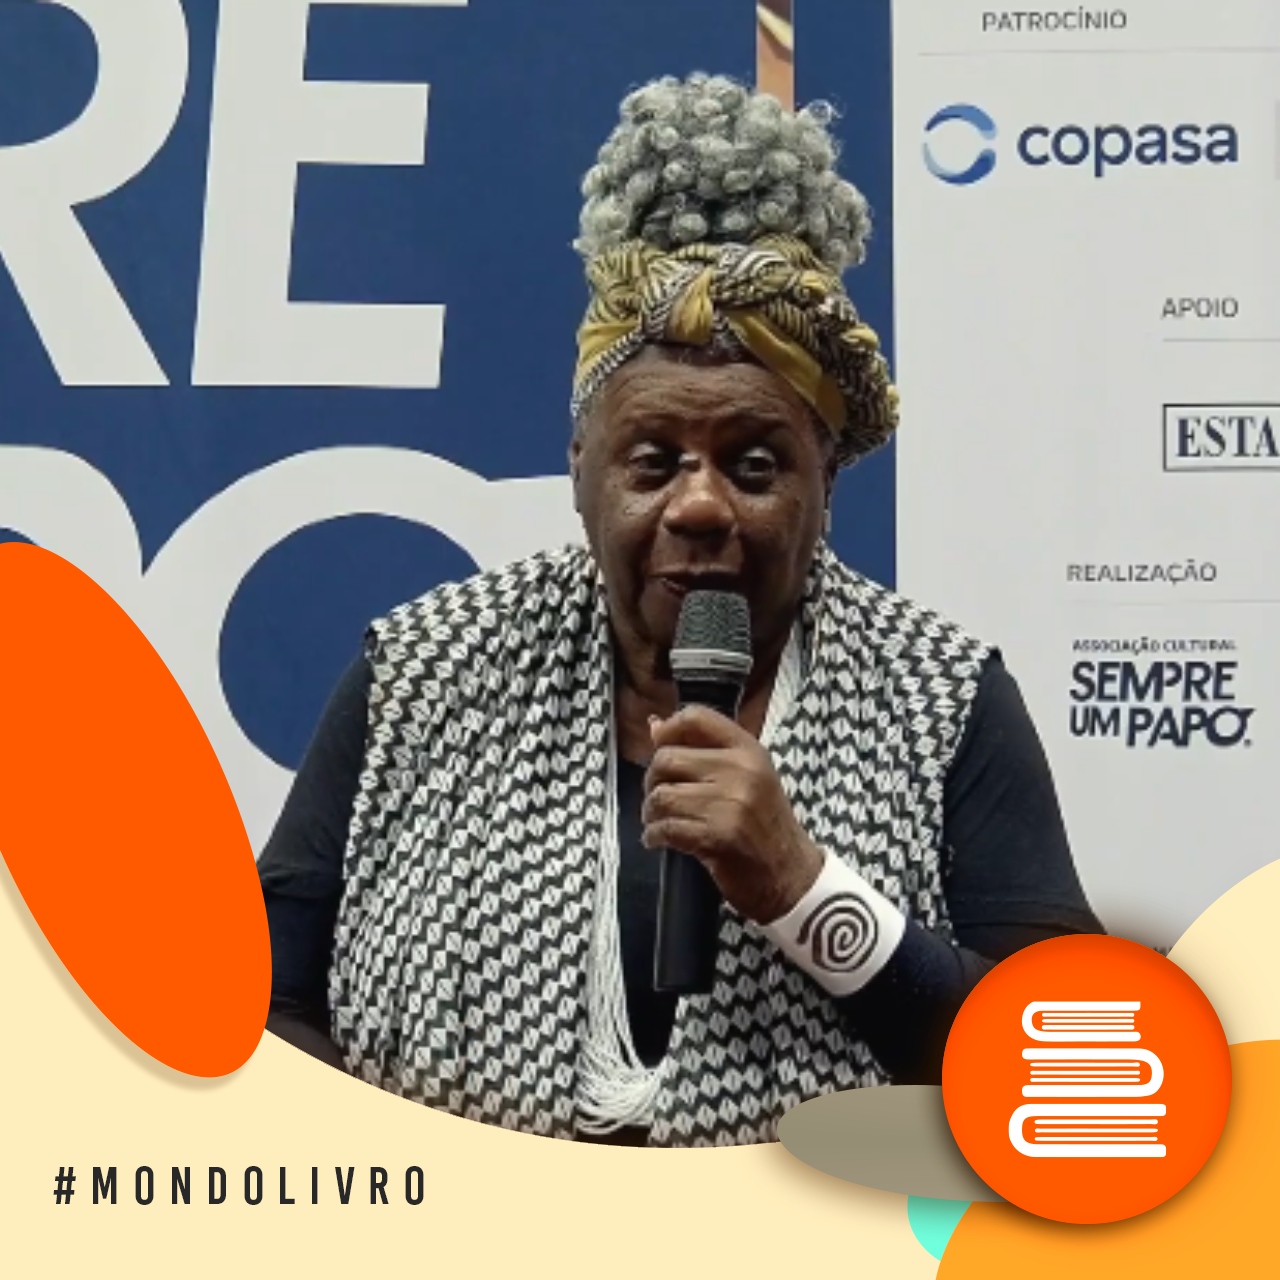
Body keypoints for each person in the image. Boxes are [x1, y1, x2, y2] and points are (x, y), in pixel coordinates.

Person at [258, 73, 1102, 1147]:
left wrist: (801, 890)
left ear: (826, 479)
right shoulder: (427, 668)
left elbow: (1065, 1070)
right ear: (580, 469)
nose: (699, 505)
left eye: (753, 465)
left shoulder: (938, 698)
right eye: (653, 461)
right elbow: (257, 1006)